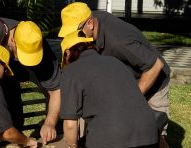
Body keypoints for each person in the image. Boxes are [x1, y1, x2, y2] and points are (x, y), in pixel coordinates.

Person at [58, 2, 170, 137]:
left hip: (152, 78)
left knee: (154, 135)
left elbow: (155, 65)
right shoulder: (88, 25)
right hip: (124, 80)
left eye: (76, 32)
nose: (73, 38)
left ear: (90, 24)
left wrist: (130, 98)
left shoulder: (119, 40)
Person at [60, 30, 158, 148]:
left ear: (67, 53)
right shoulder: (115, 61)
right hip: (147, 133)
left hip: (107, 140)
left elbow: (70, 124)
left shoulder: (71, 71)